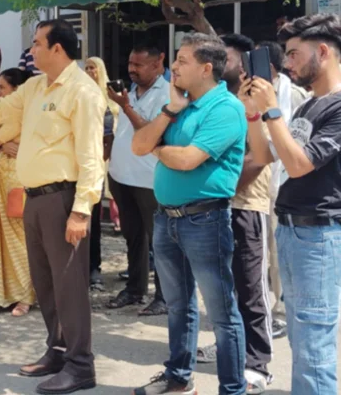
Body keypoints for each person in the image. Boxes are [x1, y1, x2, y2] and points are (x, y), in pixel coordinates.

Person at [0, 19, 104, 395]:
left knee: (69, 285)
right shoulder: (35, 86)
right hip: (35, 198)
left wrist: (82, 210)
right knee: (46, 283)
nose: (30, 50)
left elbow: (91, 157)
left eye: (36, 44)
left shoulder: (82, 92)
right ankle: (58, 350)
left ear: (57, 49)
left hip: (63, 199)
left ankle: (81, 365)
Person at [131, 33, 247, 395]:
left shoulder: (226, 109)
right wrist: (168, 113)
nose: (174, 67)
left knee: (222, 313)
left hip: (205, 221)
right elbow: (139, 145)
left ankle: (232, 388)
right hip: (168, 219)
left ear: (206, 67)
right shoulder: (180, 104)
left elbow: (186, 159)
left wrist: (160, 147)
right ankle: (178, 378)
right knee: (178, 306)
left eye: (181, 60)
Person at [241, 13, 341, 395]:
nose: (287, 64)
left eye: (294, 54)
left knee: (314, 343)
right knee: (301, 337)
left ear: (323, 52)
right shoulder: (308, 106)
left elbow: (299, 164)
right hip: (294, 231)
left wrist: (271, 111)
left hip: (319, 235)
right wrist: (254, 112)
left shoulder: (337, 107)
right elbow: (267, 155)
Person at [192, 33, 273, 392]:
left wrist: (223, 188)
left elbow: (259, 156)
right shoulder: (219, 101)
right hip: (218, 206)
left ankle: (259, 363)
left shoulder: (254, 101)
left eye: (226, 58)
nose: (220, 63)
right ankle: (231, 347)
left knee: (250, 287)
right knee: (224, 288)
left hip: (246, 205)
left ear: (242, 65)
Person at [104, 45, 168, 316]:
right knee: (133, 238)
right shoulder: (129, 91)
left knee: (159, 241)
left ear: (158, 64)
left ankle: (165, 296)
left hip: (149, 180)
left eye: (138, 65)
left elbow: (151, 133)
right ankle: (135, 289)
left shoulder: (167, 94)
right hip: (121, 176)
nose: (131, 69)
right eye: (130, 63)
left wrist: (125, 106)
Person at [253, 40, 309, 340]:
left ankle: (280, 313)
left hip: (284, 183)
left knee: (277, 254)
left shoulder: (295, 95)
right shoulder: (253, 98)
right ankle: (265, 308)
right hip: (259, 182)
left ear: (270, 69)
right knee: (260, 252)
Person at [0, 68, 35, 316]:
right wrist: (2, 143)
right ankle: (3, 292)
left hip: (18, 179)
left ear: (17, 90)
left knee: (20, 238)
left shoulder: (24, 113)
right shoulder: (2, 111)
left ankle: (26, 295)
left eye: (2, 88)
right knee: (0, 235)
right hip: (0, 179)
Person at [83, 57, 120, 292]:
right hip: (76, 164)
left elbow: (109, 132)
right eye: (85, 68)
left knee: (93, 220)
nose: (88, 71)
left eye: (92, 67)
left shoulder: (107, 97)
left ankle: (94, 270)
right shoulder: (76, 93)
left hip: (98, 162)